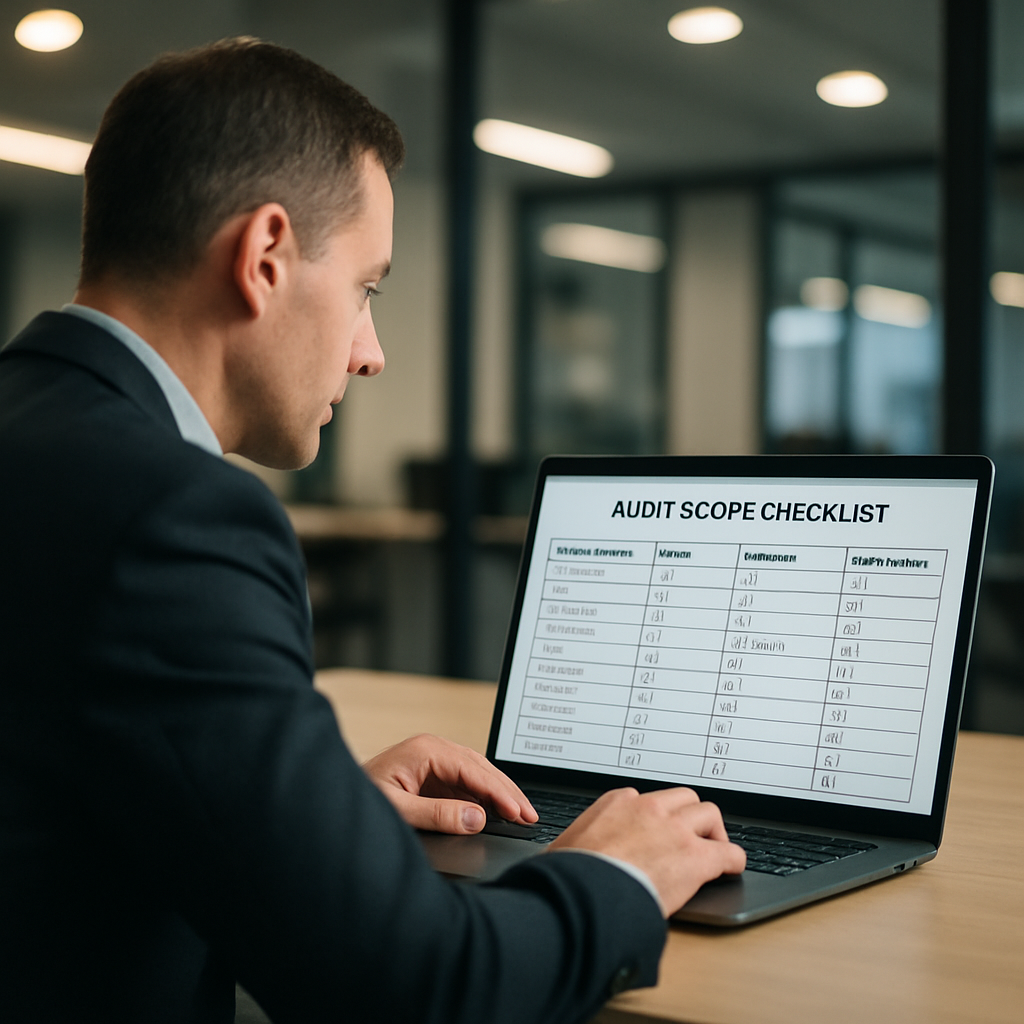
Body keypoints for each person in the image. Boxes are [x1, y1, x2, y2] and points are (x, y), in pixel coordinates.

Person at [0, 38, 744, 1024]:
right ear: (265, 257)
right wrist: (617, 876)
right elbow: (412, 989)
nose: (371, 352)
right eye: (367, 288)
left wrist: (303, 821)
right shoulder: (175, 518)